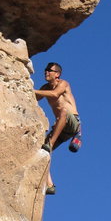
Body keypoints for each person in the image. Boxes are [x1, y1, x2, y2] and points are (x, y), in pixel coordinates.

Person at [34, 62, 81, 195]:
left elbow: (55, 94)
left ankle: (51, 143)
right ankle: (50, 185)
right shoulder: (45, 87)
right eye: (45, 70)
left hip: (72, 122)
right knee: (42, 150)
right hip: (61, 126)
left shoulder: (63, 84)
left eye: (49, 70)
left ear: (57, 74)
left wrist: (32, 90)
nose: (46, 72)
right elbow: (34, 98)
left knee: (63, 110)